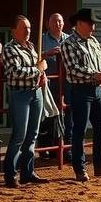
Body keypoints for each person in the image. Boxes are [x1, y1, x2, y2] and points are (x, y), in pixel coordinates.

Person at [59, 8, 101, 182]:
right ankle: (80, 168)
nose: (93, 27)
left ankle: (100, 163)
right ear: (79, 23)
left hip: (95, 89)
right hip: (80, 90)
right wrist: (97, 75)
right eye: (90, 23)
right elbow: (73, 69)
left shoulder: (94, 41)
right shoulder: (68, 43)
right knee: (80, 130)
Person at [0, 15, 49, 188]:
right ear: (14, 31)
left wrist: (42, 75)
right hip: (20, 94)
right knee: (19, 135)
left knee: (32, 135)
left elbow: (37, 70)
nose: (28, 31)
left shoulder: (32, 47)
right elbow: (15, 72)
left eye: (29, 27)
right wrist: (38, 69)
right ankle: (10, 173)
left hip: (35, 93)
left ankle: (27, 172)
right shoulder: (9, 48)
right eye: (23, 28)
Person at [39, 13, 69, 157]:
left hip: (66, 82)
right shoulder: (42, 39)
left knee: (64, 115)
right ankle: (45, 148)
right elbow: (35, 56)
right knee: (47, 115)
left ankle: (62, 148)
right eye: (54, 21)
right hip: (49, 82)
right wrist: (47, 53)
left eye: (60, 21)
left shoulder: (69, 39)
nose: (58, 24)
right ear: (48, 24)